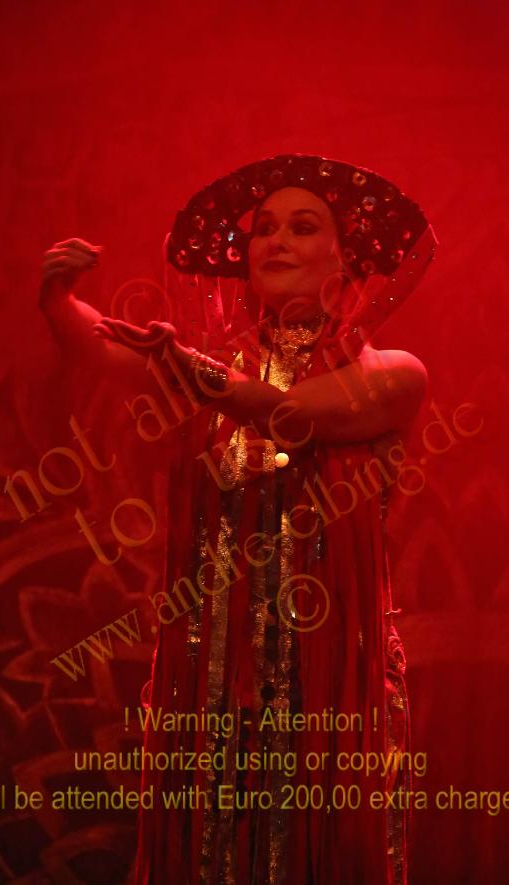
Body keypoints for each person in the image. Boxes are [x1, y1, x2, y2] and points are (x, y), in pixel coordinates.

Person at [40, 154, 437, 885]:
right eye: (263, 228)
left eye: (302, 226)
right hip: (213, 678)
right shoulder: (208, 370)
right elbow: (102, 346)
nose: (275, 240)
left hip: (331, 683)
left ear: (344, 260)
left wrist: (192, 370)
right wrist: (58, 298)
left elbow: (288, 414)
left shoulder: (392, 374)